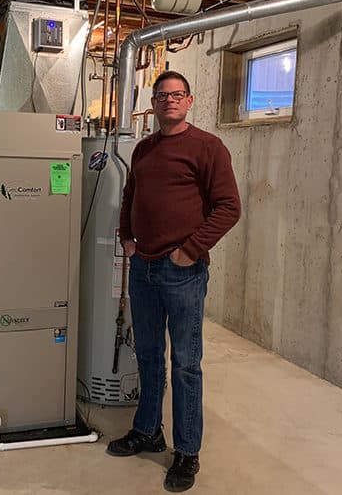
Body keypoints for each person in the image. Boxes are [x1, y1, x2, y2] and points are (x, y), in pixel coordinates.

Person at [107, 71, 241, 492]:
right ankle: (148, 430)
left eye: (177, 95)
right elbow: (130, 195)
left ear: (189, 100)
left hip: (182, 271)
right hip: (144, 267)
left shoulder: (208, 148)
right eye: (162, 95)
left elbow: (228, 207)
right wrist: (125, 236)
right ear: (154, 101)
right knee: (147, 355)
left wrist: (189, 250)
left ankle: (186, 451)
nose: (169, 100)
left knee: (185, 364)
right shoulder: (145, 149)